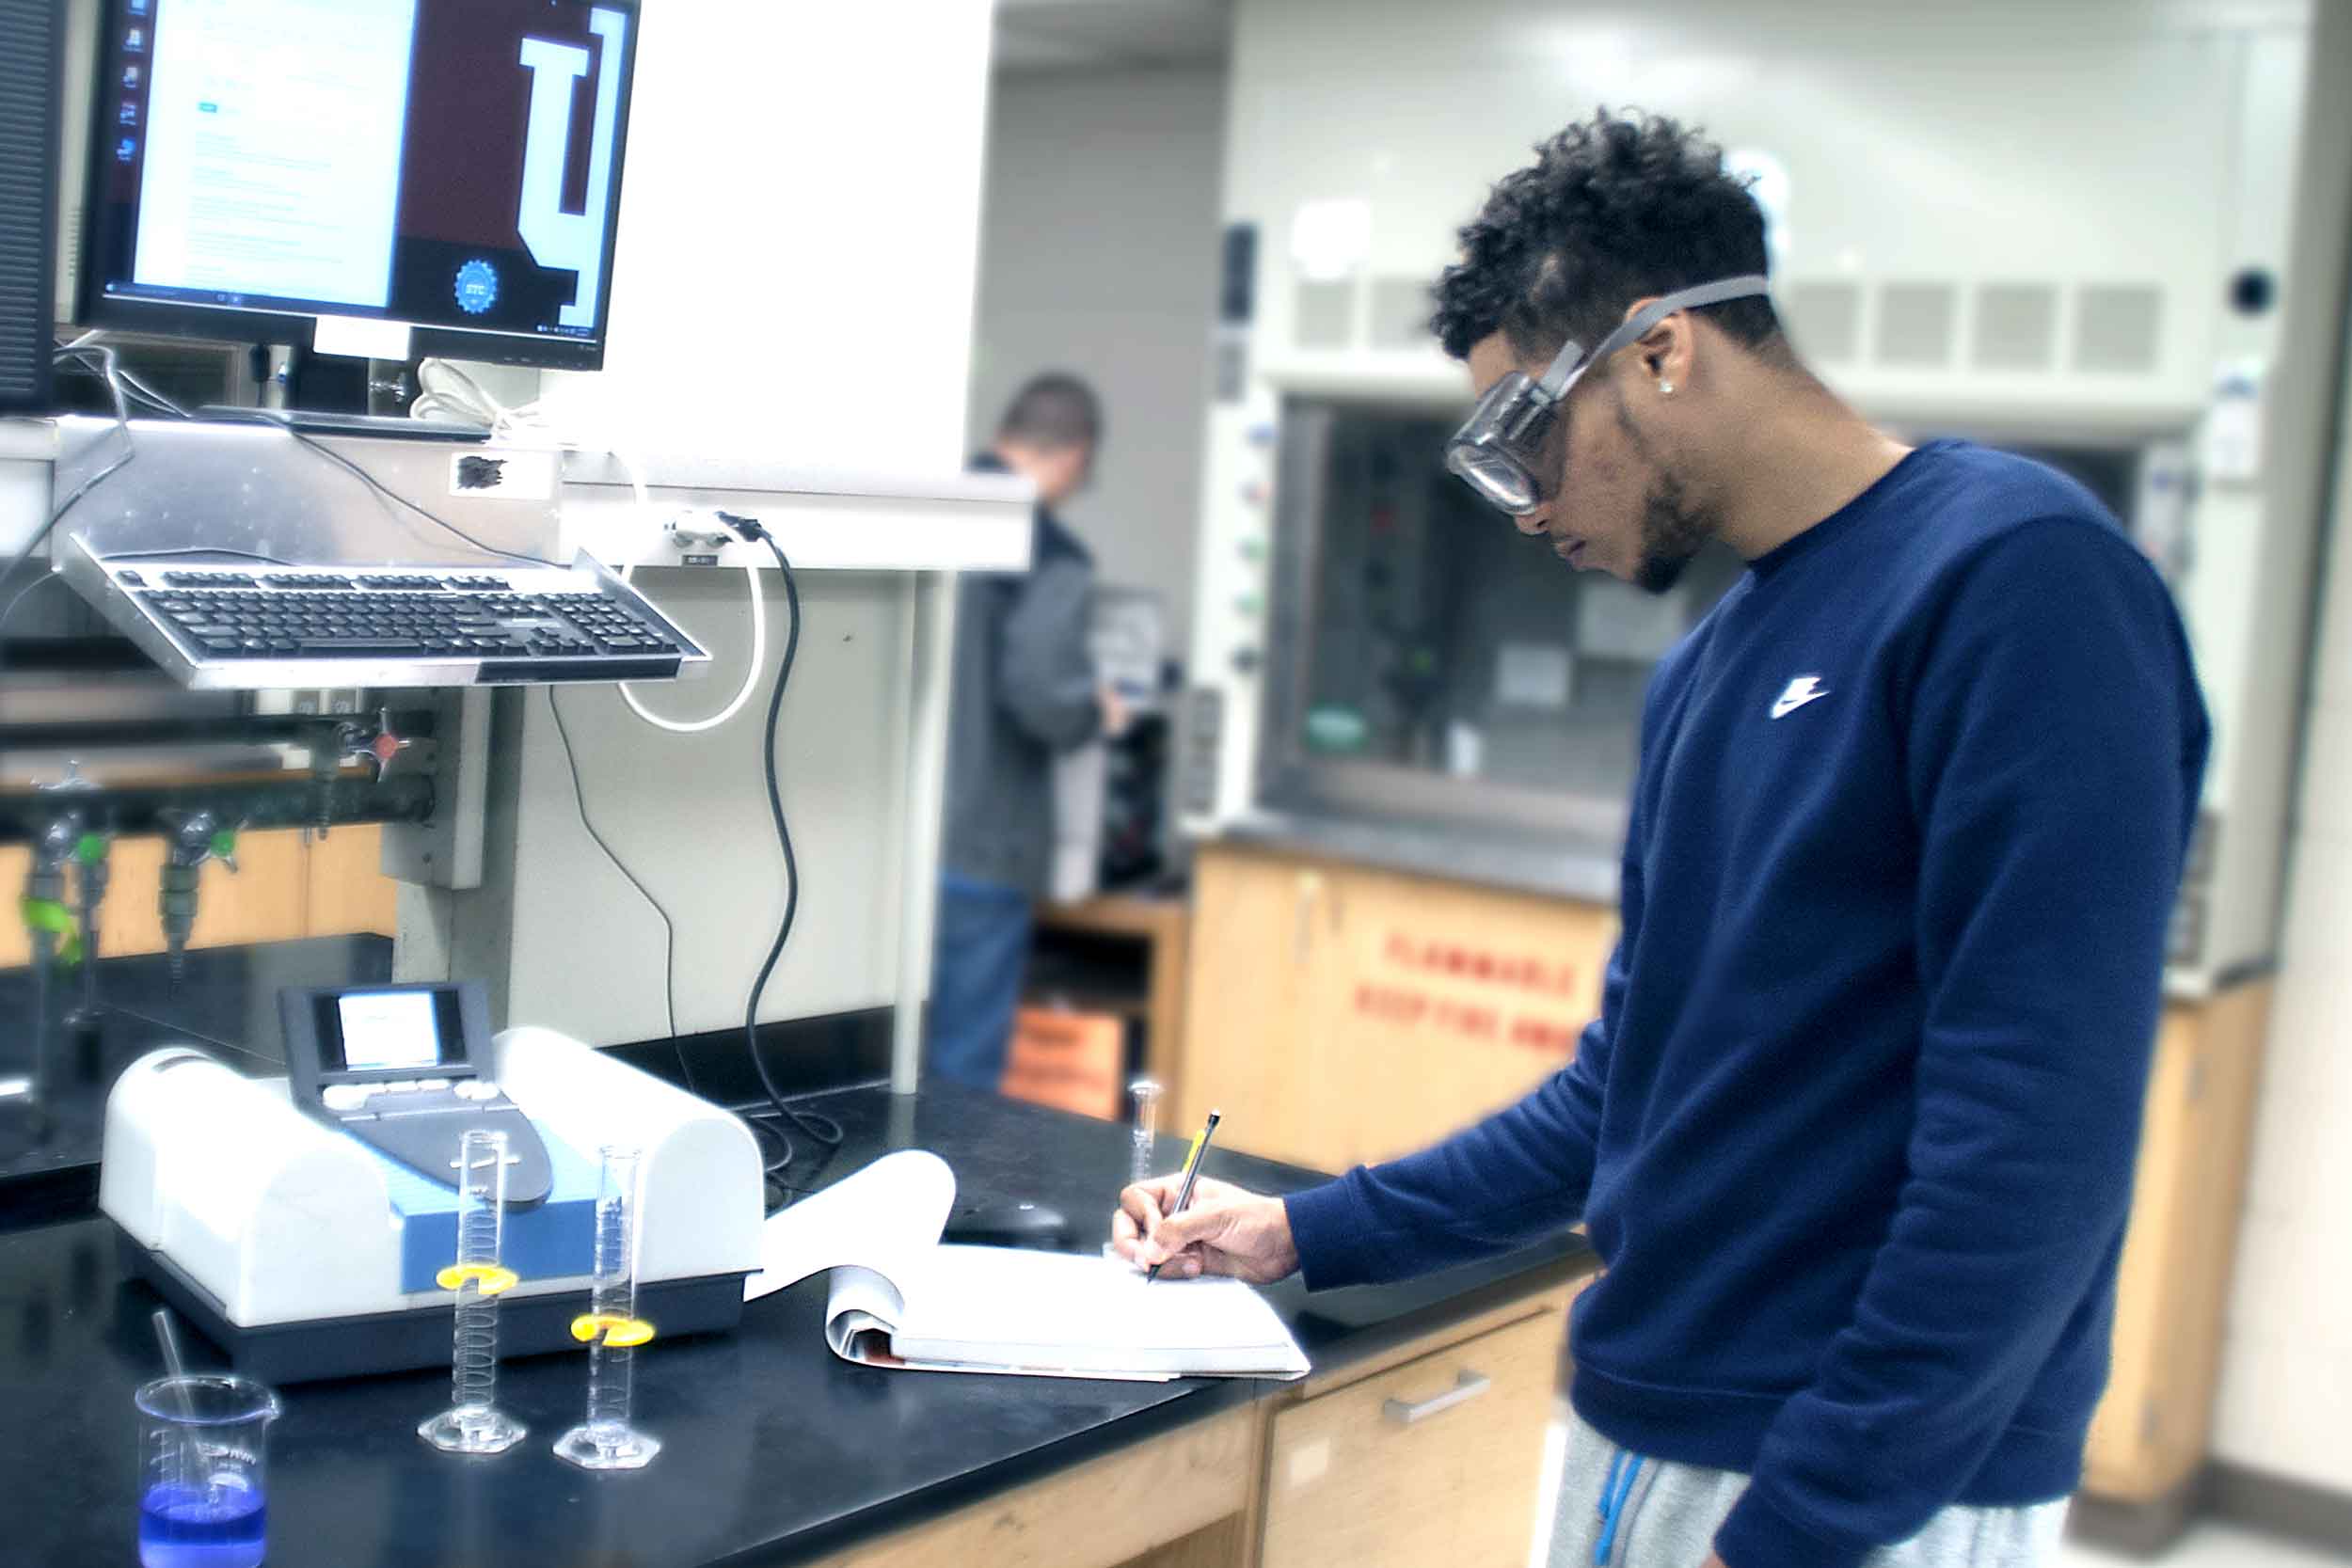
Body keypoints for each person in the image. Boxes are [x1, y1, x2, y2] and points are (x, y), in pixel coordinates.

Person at [1114, 110, 2207, 1568]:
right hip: (1642, 1424)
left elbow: (2033, 1144)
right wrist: (1307, 1233)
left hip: (1855, 1477)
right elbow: (1627, 1091)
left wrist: (1803, 1528)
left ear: (1663, 350)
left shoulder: (2018, 580)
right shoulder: (1713, 663)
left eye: (1525, 435)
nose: (1521, 506)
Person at [928, 372, 1126, 1091]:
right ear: (1073, 458)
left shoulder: (923, 511)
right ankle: (949, 1203)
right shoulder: (1049, 552)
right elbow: (1040, 692)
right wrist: (1093, 708)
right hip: (981, 844)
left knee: (871, 1063)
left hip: (884, 841)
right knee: (959, 1072)